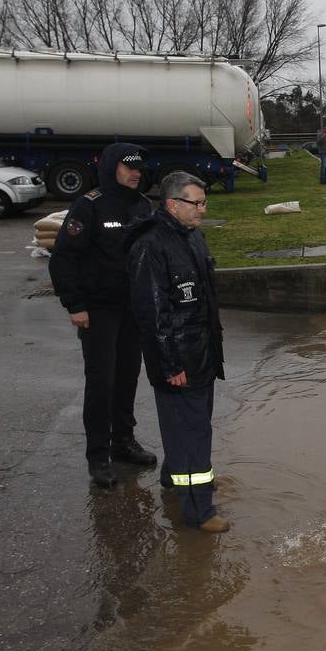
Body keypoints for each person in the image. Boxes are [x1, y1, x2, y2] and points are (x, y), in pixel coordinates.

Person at [49, 142, 157, 489]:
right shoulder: (89, 205)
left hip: (132, 309)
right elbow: (63, 257)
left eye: (139, 168)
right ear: (113, 167)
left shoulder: (142, 205)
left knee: (127, 377)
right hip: (97, 310)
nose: (136, 173)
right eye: (129, 167)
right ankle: (98, 456)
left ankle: (122, 441)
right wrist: (75, 304)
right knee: (101, 383)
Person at [127, 172, 228, 533]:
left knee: (191, 424)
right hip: (177, 359)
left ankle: (174, 478)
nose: (203, 209)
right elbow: (152, 313)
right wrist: (170, 363)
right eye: (196, 203)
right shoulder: (151, 245)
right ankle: (199, 511)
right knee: (192, 433)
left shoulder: (192, 236)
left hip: (200, 353)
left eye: (204, 202)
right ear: (172, 204)